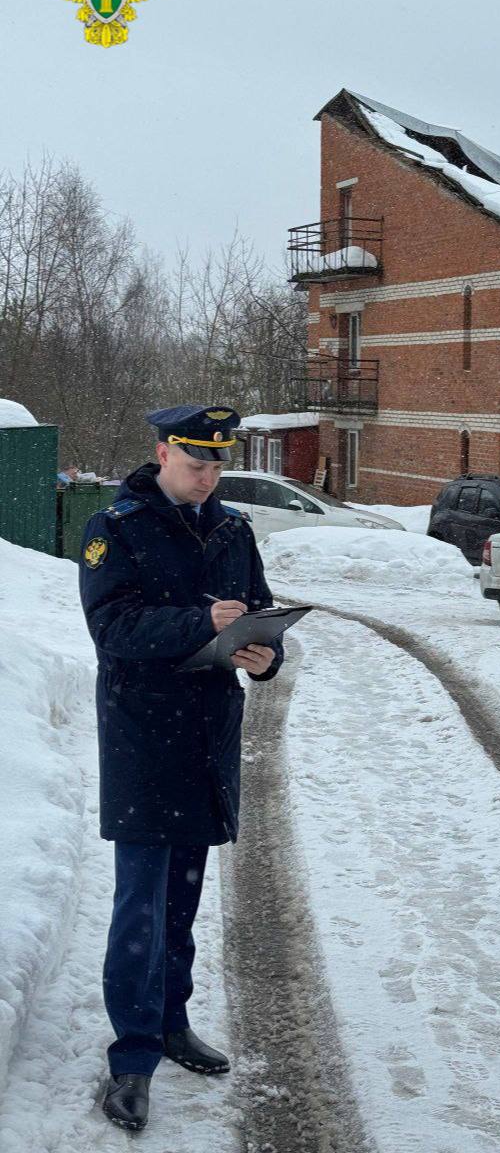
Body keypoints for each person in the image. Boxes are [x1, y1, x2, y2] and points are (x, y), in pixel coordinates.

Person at [78, 404, 284, 1132]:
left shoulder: (232, 528)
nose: (207, 478)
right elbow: (113, 628)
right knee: (140, 899)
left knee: (183, 898)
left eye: (216, 465)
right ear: (162, 452)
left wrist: (265, 654)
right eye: (196, 464)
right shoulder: (117, 529)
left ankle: (170, 1021)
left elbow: (256, 611)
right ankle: (131, 1057)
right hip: (141, 734)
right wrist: (204, 623)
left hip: (204, 733)